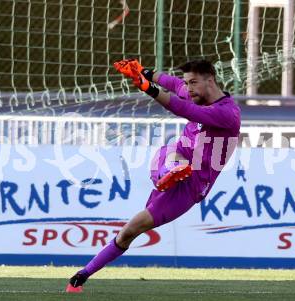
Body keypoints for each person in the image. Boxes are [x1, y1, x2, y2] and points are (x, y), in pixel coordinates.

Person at [66, 59, 241, 293]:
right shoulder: (195, 92)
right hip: (175, 159)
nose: (187, 88)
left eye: (192, 83)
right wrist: (145, 72)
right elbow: (173, 83)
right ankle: (171, 171)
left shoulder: (226, 113)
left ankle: (81, 276)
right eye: (187, 83)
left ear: (210, 80)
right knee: (170, 151)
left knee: (131, 230)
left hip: (192, 186)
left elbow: (183, 108)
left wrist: (146, 86)